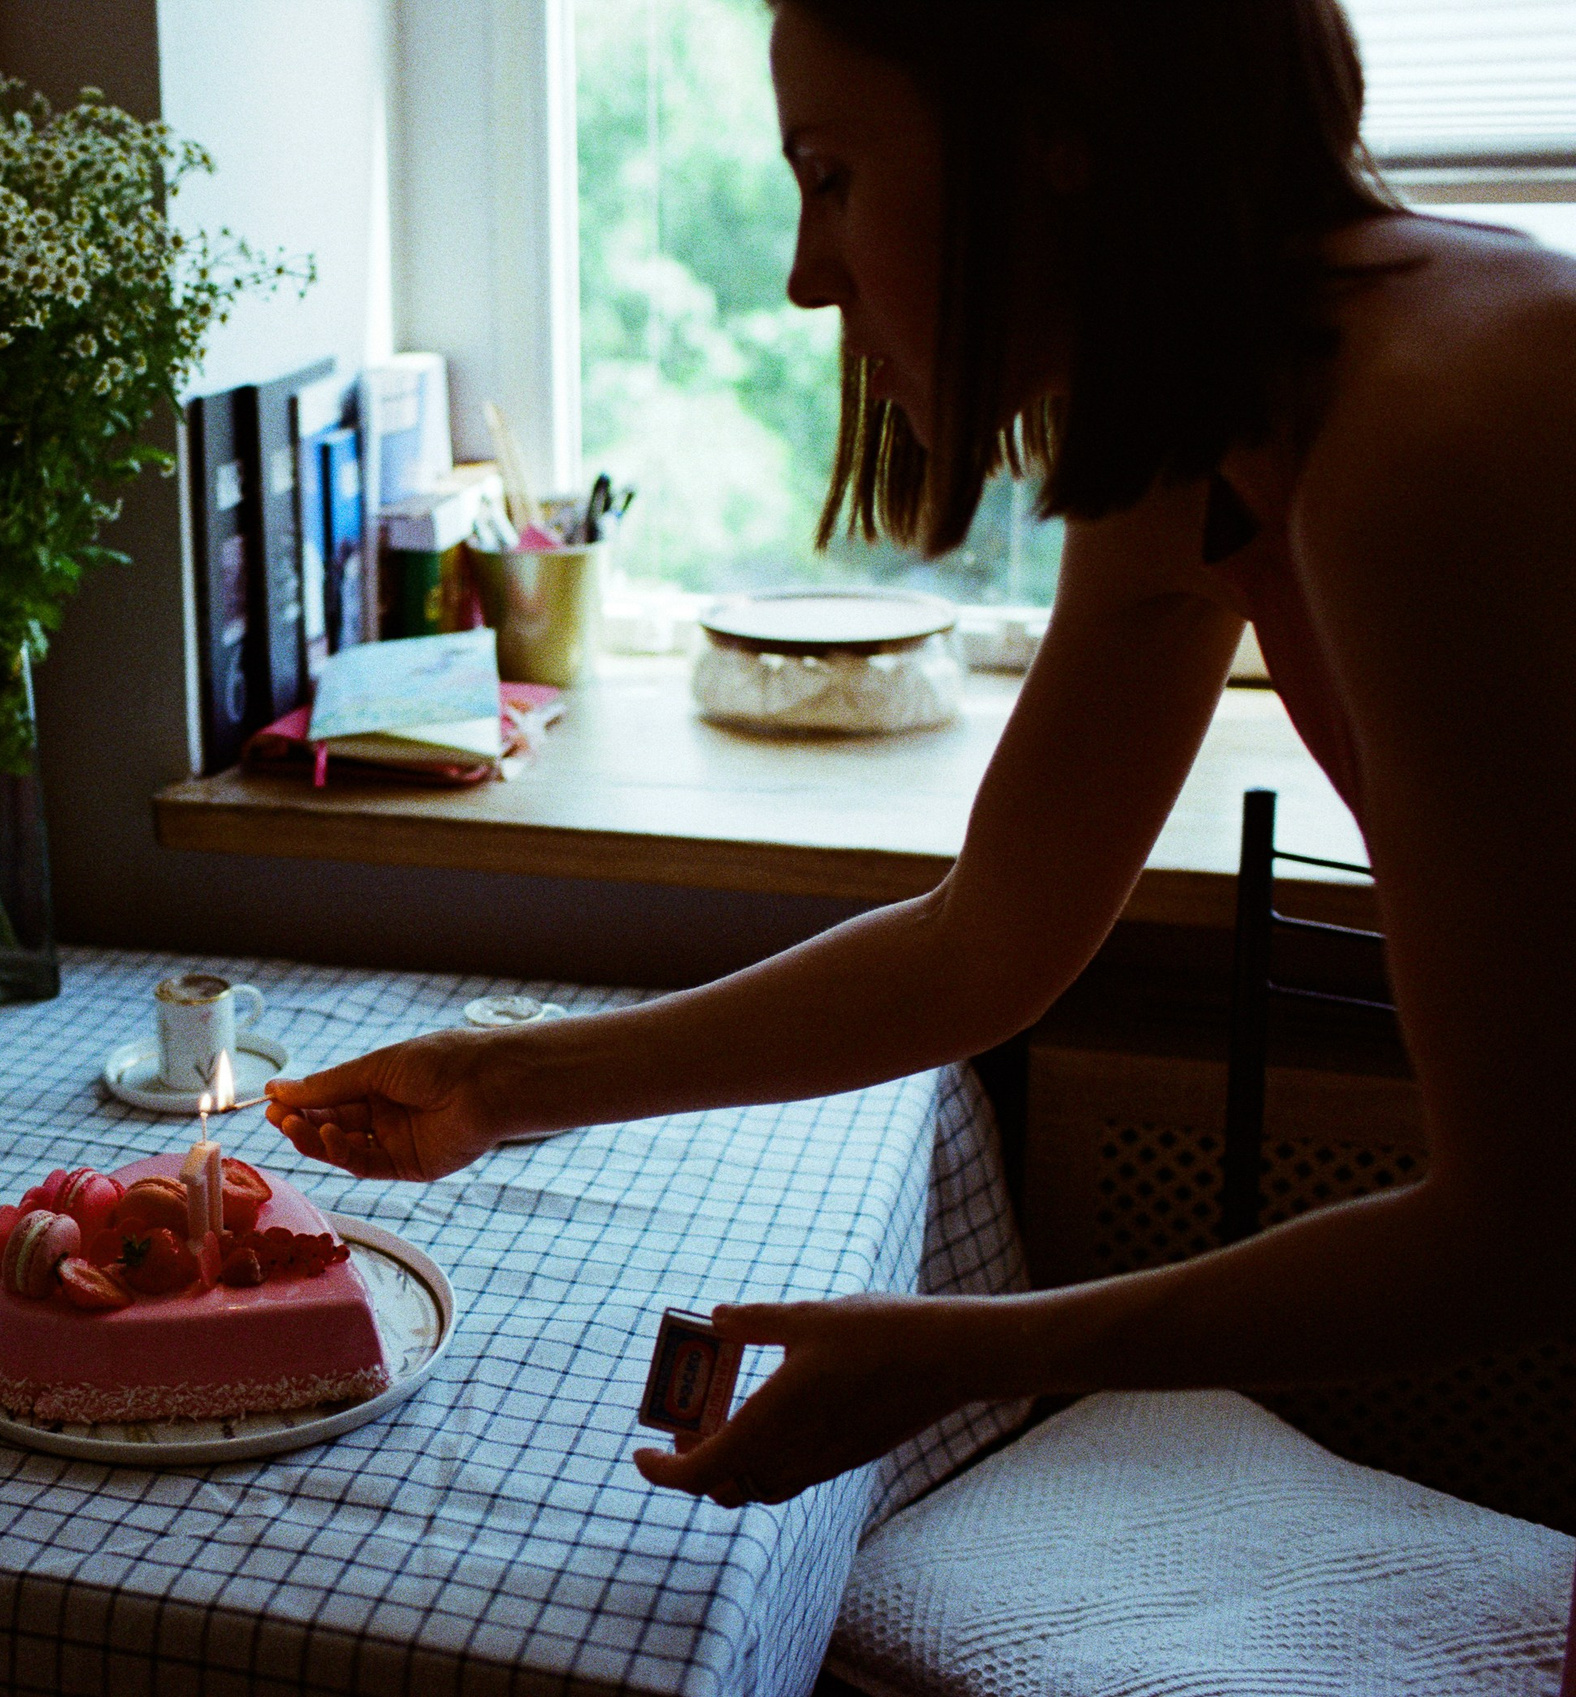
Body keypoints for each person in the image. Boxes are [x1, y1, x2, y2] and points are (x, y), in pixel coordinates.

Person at [267, 0, 1575, 1517]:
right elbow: (981, 946)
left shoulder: (1439, 421)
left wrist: (962, 1351)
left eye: (830, 174)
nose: (805, 273)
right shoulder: (1197, 448)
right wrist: (499, 1080)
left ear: (1055, 136)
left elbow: (1528, 1230)